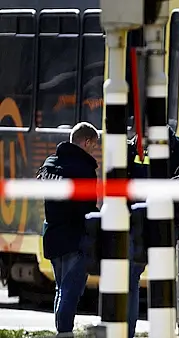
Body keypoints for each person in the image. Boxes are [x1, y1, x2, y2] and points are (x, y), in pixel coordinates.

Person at [126, 123, 179, 338]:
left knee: (132, 279)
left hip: (142, 222)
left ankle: (132, 332)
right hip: (160, 223)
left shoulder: (134, 147)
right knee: (156, 280)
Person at [37, 122, 100, 337]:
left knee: (61, 289)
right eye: (93, 146)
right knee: (70, 291)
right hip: (75, 237)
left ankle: (61, 331)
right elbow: (88, 208)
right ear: (87, 141)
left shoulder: (49, 164)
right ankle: (64, 333)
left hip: (53, 235)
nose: (94, 151)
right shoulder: (84, 169)